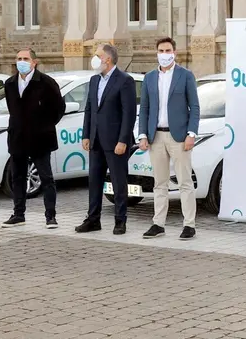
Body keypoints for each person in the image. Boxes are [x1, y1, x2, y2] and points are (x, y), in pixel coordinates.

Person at [138, 38, 201, 240]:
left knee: (184, 182)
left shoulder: (185, 75)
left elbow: (195, 107)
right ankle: (158, 223)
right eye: (161, 50)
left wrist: (191, 133)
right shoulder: (149, 78)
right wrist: (142, 134)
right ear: (156, 53)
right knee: (160, 183)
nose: (164, 54)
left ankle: (189, 224)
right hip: (156, 136)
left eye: (168, 50)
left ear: (174, 52)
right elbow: (144, 108)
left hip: (179, 137)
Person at [1, 48, 66, 229]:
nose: (21, 62)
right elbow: (13, 108)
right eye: (19, 58)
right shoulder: (10, 83)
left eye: (26, 58)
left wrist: (45, 126)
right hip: (17, 137)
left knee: (46, 178)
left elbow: (59, 108)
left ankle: (50, 216)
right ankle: (18, 214)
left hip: (40, 138)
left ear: (34, 62)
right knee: (18, 177)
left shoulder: (46, 83)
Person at [76, 44, 137, 236]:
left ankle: (120, 220)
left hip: (115, 142)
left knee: (119, 182)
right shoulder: (94, 80)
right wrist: (86, 134)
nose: (94, 59)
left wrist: (123, 140)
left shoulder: (125, 80)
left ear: (107, 59)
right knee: (94, 181)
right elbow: (89, 109)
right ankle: (93, 219)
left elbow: (129, 114)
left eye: (97, 55)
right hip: (96, 140)